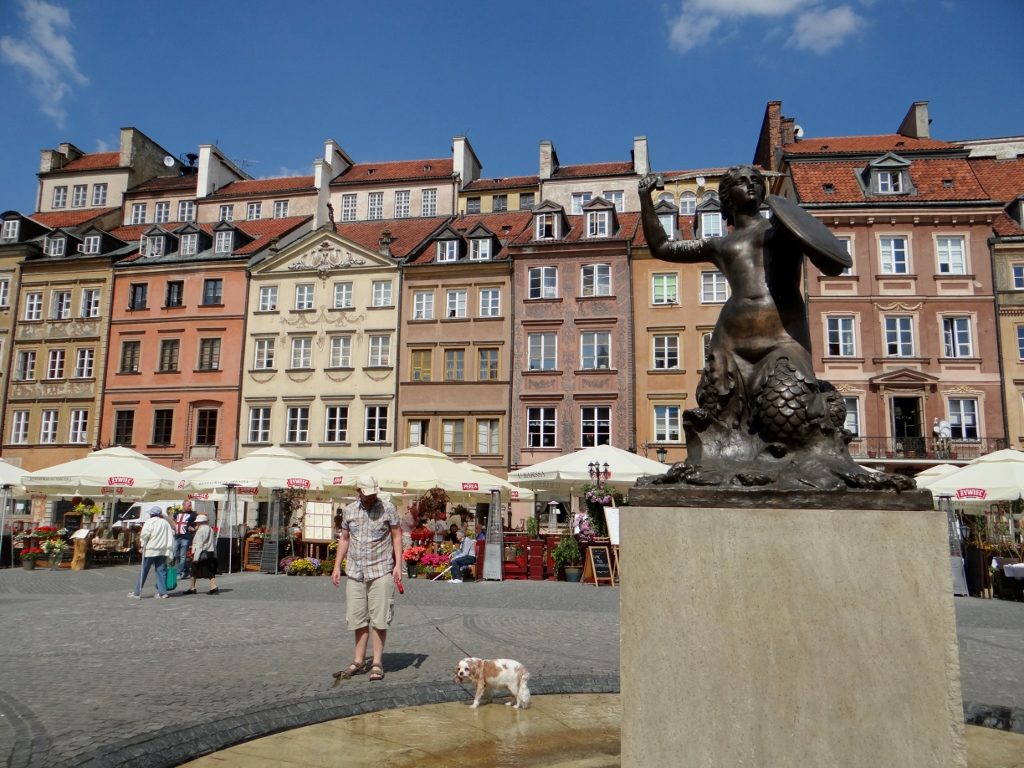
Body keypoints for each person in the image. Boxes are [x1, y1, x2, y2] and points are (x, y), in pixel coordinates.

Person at [331, 474, 402, 682]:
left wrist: (398, 565)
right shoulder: (349, 510)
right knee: (357, 618)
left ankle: (377, 662)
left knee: (380, 619)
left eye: (373, 494)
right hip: (355, 571)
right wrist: (337, 566)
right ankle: (358, 659)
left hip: (380, 569)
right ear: (359, 491)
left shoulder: (387, 508)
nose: (371, 498)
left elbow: (397, 536)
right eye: (367, 494)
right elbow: (344, 539)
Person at [129, 506, 174, 599]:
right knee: (161, 571)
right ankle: (162, 592)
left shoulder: (150, 522)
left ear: (151, 514)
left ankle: (137, 592)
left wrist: (142, 545)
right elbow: (170, 535)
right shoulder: (165, 522)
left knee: (144, 571)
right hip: (162, 550)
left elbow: (145, 535)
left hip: (151, 550)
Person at [183, 514, 218, 595]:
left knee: (194, 570)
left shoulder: (200, 530)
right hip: (209, 552)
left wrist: (196, 557)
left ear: (200, 522)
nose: (196, 524)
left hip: (202, 553)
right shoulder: (210, 529)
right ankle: (212, 587)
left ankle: (193, 588)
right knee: (209, 570)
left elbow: (199, 545)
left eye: (197, 522)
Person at [172, 500, 197, 579]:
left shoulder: (193, 514)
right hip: (177, 536)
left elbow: (200, 522)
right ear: (184, 505)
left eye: (190, 505)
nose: (190, 507)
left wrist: (194, 528)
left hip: (186, 537)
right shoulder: (177, 513)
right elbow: (172, 519)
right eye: (189, 505)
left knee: (183, 555)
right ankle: (186, 570)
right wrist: (175, 526)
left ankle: (179, 572)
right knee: (176, 553)